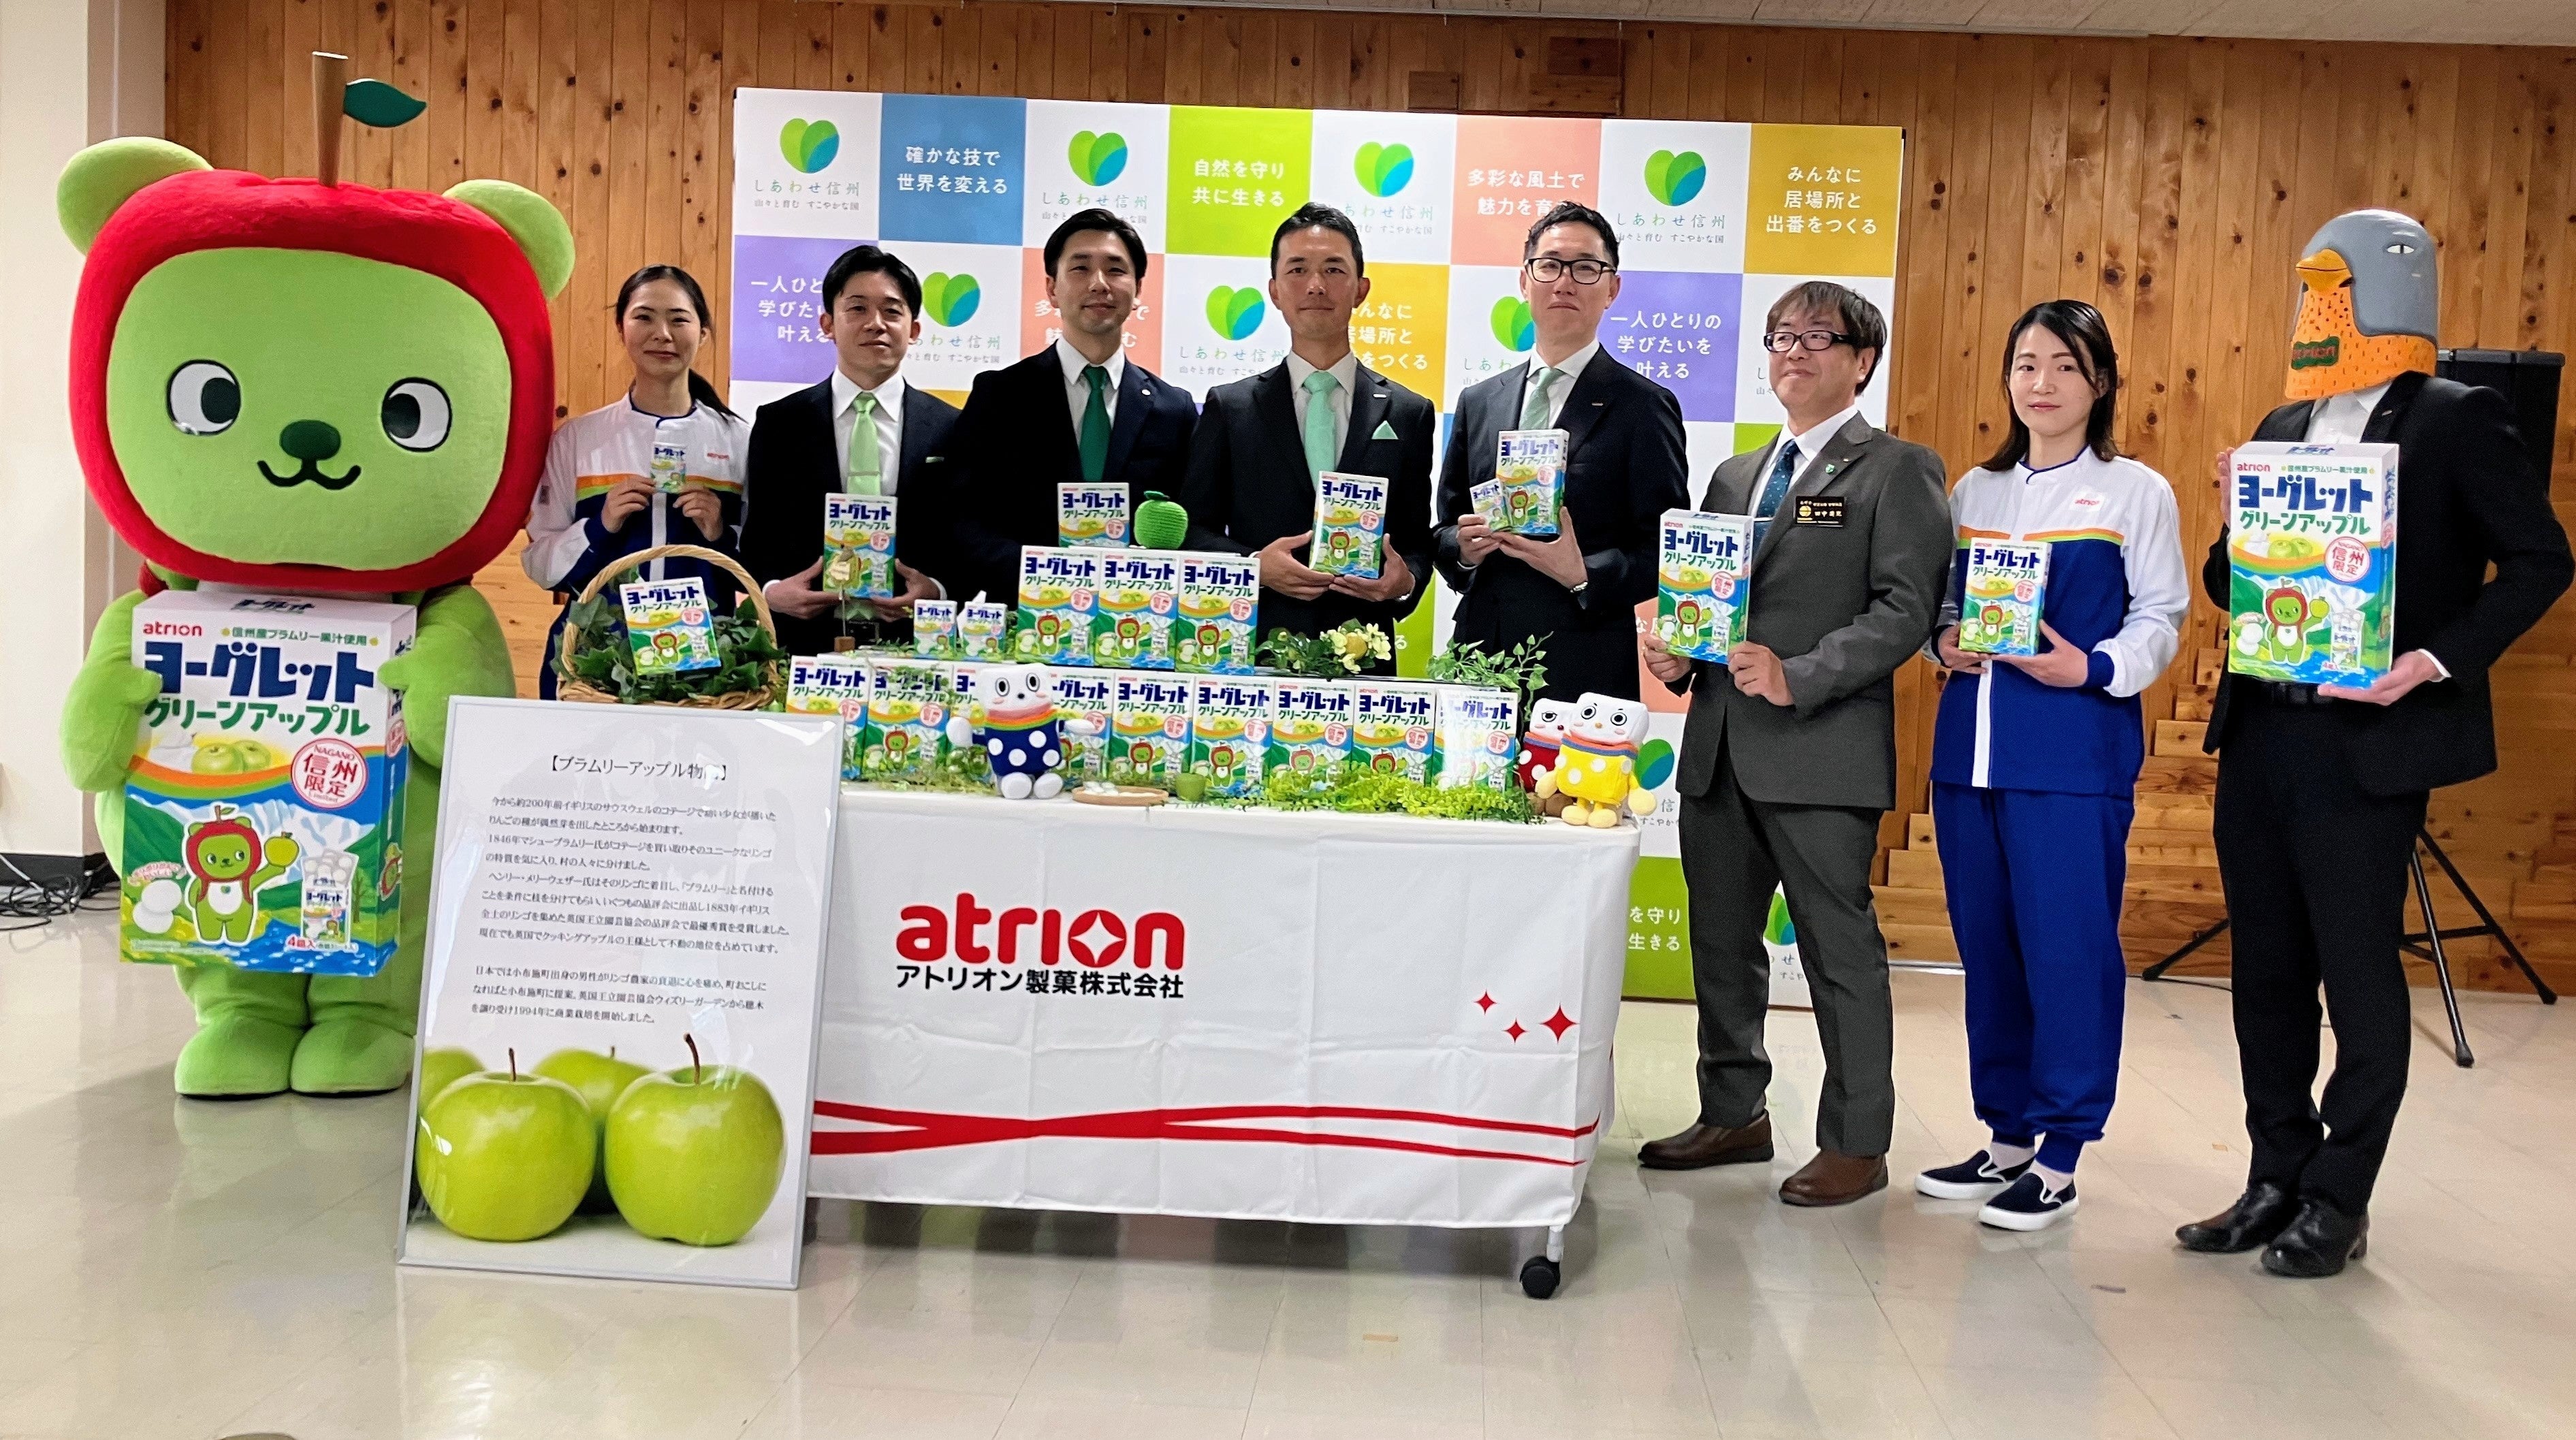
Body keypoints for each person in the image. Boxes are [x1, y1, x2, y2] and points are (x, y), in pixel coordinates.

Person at [2178, 210, 2573, 1277]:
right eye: (2308, 291)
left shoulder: (2455, 415)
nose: (2316, 311)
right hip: (2261, 728)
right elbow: (2227, 583)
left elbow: (2540, 559)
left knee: (2356, 971)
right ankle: (2273, 1174)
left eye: (2333, 290)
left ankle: (2337, 1194)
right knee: (2262, 969)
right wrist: (2235, 514)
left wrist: (2434, 661)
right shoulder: (2283, 418)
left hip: (2367, 740)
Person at [1637, 281, 1952, 1206]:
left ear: (1862, 360)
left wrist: (1800, 674)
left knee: (1837, 953)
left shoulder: (1897, 469)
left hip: (1822, 751)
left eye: (1819, 337)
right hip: (1719, 749)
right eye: (1781, 336)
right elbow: (1709, 604)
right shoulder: (1734, 475)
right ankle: (1732, 1112)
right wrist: (1678, 651)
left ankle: (1857, 1140)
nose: (1794, 352)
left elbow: (1905, 609)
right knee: (1719, 945)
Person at [1913, 301, 2189, 1231]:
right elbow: (1939, 608)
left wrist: (2094, 667)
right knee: (1988, 951)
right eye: (2025, 364)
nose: (2042, 383)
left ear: (2099, 382)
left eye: (2065, 366)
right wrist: (1941, 643)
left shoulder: (2133, 491)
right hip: (1969, 758)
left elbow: (2161, 615)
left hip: (2071, 757)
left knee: (2067, 953)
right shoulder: (1973, 492)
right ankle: (2005, 1138)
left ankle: (2062, 1153)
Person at [1431, 202, 1687, 701]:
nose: (1565, 282)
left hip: (1584, 662)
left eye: (1586, 268)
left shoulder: (1643, 406)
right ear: (1524, 281)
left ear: (1612, 289)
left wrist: (1583, 572)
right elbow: (1445, 526)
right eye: (1549, 265)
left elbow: (1663, 547)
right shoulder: (1479, 401)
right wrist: (1462, 550)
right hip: (1480, 654)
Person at [1177, 203, 1436, 665]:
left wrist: (1405, 582)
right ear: (1275, 291)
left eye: (1333, 269)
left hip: (1364, 657)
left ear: (1361, 289)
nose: (1316, 285)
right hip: (1255, 654)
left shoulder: (1408, 412)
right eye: (1297, 269)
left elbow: (1416, 540)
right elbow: (1192, 531)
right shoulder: (1231, 407)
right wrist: (1253, 566)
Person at [946, 208, 1197, 605]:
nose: (1099, 284)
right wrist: (1045, 575)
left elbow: (1191, 522)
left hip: (1136, 616)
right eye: (1080, 269)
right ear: (1052, 288)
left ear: (1137, 289)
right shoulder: (1001, 395)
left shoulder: (1174, 409)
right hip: (1024, 614)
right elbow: (963, 516)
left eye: (1116, 270)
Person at [524, 264, 748, 697]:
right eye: (644, 317)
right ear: (620, 329)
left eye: (679, 319)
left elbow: (760, 567)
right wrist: (600, 526)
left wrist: (720, 532)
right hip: (592, 661)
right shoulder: (579, 439)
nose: (662, 334)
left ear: (703, 333)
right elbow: (541, 564)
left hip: (707, 666)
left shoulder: (738, 441)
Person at [735, 244, 963, 656]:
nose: (876, 324)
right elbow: (758, 536)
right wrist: (772, 592)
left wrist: (939, 590)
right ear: (828, 323)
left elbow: (967, 535)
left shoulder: (953, 427)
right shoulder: (780, 422)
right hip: (802, 646)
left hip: (918, 645)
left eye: (892, 311)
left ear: (913, 330)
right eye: (857, 309)